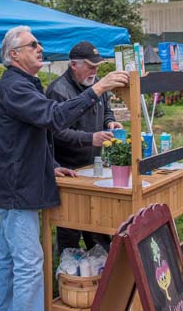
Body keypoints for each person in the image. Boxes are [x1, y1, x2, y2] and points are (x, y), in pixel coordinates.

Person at [0, 26, 128, 311]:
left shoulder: (23, 84)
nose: (40, 48)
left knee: (11, 260)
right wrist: (99, 88)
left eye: (39, 43)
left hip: (13, 185)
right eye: (32, 44)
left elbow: (25, 136)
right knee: (29, 264)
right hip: (15, 190)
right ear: (14, 55)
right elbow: (53, 117)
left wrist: (50, 165)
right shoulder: (15, 86)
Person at [46, 40, 122, 254]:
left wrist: (110, 122)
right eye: (90, 66)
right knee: (70, 226)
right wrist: (91, 138)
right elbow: (56, 132)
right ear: (73, 65)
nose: (95, 71)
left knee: (97, 221)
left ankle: (98, 269)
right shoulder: (58, 91)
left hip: (94, 166)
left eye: (97, 67)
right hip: (69, 170)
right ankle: (67, 272)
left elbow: (107, 109)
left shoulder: (97, 85)